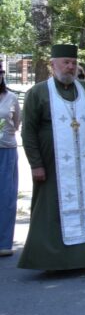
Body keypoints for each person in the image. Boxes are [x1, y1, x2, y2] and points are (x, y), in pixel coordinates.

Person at [19, 44, 85, 272]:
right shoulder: (38, 92)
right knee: (50, 209)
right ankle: (49, 261)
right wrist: (36, 164)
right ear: (53, 65)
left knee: (84, 204)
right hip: (52, 165)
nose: (70, 67)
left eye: (73, 63)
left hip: (82, 165)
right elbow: (28, 131)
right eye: (65, 62)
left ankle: (83, 259)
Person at [0, 64, 20, 257]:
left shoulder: (11, 98)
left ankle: (4, 242)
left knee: (6, 197)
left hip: (6, 150)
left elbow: (17, 123)